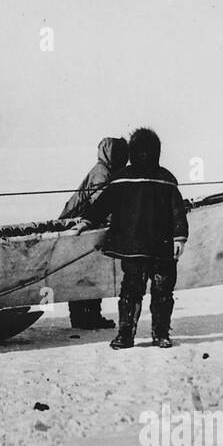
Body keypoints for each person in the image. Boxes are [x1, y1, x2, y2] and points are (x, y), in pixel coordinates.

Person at [76, 128, 188, 348]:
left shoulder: (127, 179)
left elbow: (176, 211)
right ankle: (144, 335)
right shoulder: (160, 178)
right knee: (151, 292)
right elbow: (178, 212)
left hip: (138, 248)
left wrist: (179, 237)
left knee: (144, 293)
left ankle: (143, 335)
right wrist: (87, 220)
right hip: (154, 249)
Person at [59, 137, 128, 329]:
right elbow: (100, 203)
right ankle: (85, 317)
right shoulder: (101, 173)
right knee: (85, 272)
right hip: (78, 227)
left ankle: (86, 316)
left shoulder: (107, 172)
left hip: (84, 226)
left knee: (87, 272)